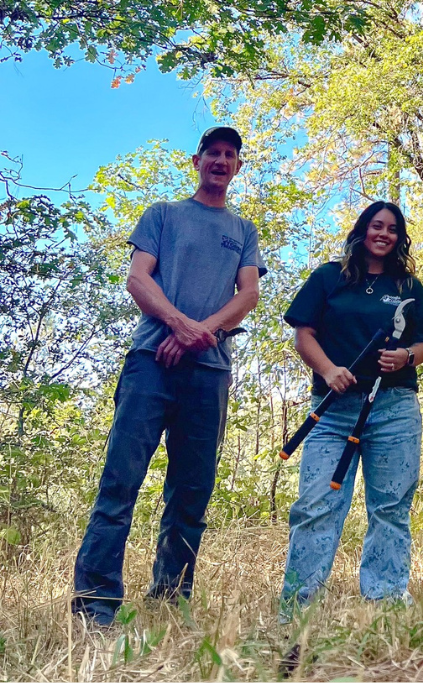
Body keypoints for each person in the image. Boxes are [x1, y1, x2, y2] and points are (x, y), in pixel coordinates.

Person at [73, 126, 265, 626]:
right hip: (150, 363)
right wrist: (180, 326)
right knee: (120, 481)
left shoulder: (243, 231)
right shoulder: (163, 214)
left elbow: (247, 296)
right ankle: (96, 603)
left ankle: (169, 599)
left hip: (209, 372)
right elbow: (139, 279)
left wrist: (199, 334)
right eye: (213, 153)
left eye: (230, 155)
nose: (221, 161)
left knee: (191, 491)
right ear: (196, 160)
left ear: (238, 166)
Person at [279, 201, 423, 614]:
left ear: (399, 237)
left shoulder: (408, 286)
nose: (383, 234)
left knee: (390, 506)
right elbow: (303, 335)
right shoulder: (329, 277)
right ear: (362, 230)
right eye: (376, 226)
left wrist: (405, 357)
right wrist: (329, 370)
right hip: (332, 411)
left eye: (391, 228)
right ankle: (298, 605)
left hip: (394, 409)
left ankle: (385, 599)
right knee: (316, 505)